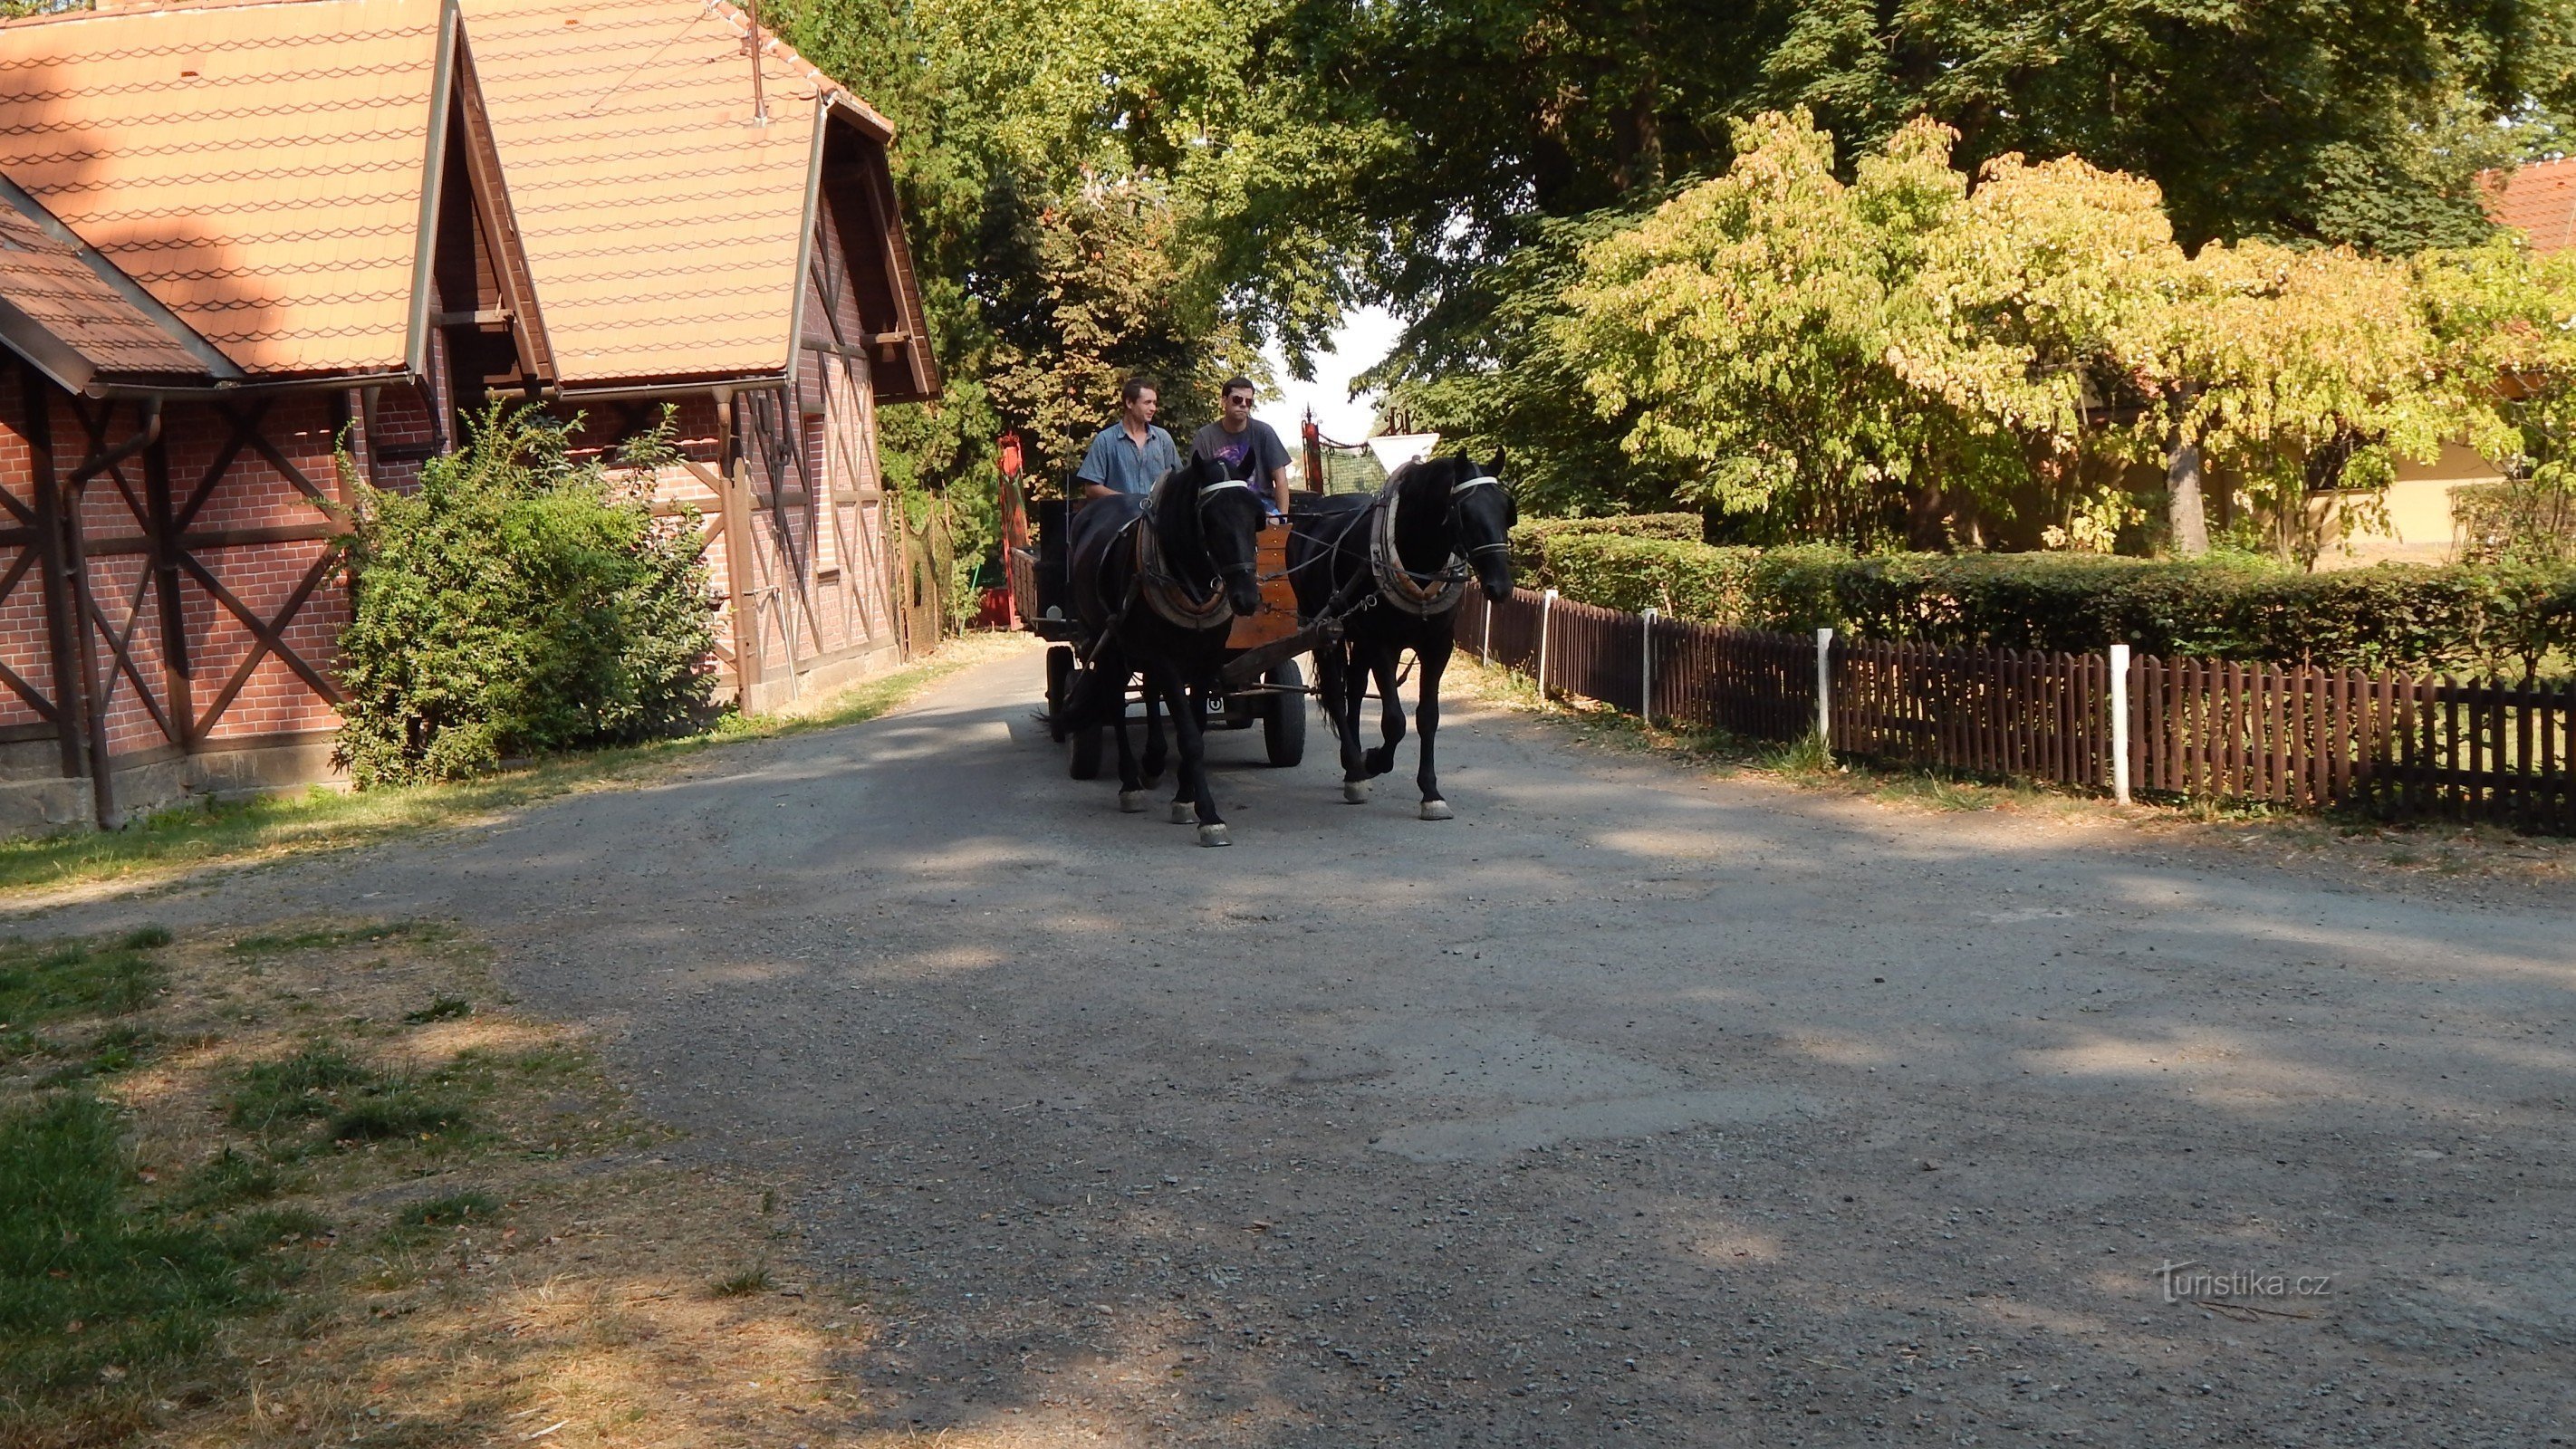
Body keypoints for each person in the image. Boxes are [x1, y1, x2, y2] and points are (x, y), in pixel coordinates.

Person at [1190, 375, 1292, 514]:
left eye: (1248, 401)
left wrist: (1282, 518)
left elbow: (1280, 479)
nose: (1243, 404)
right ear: (1224, 401)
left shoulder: (1264, 432)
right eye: (1237, 399)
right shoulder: (1205, 436)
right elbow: (1194, 481)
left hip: (1261, 505)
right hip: (1219, 507)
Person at [1074, 374, 1181, 502]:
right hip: (1119, 517)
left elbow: (1179, 481)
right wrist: (1128, 500)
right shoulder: (1105, 440)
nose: (1153, 408)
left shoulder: (1163, 439)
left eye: (1154, 403)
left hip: (1157, 519)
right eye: (1147, 403)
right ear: (1129, 403)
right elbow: (1091, 488)